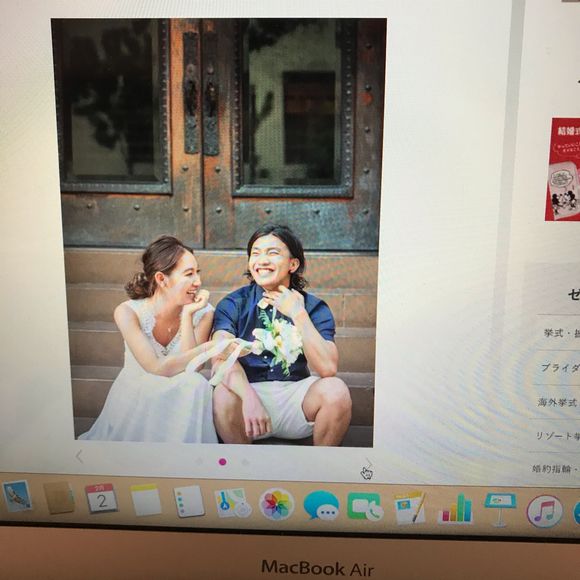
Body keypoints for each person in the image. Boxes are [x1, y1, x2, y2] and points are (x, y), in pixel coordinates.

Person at [211, 224, 352, 446]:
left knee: (336, 390)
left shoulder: (314, 307)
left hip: (296, 397)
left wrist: (298, 314)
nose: (262, 260)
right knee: (222, 393)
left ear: (293, 264)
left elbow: (328, 368)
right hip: (247, 400)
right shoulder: (234, 304)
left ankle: (322, 464)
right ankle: (242, 464)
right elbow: (220, 356)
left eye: (272, 253)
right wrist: (249, 398)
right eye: (256, 253)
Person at [79, 235, 219, 443]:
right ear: (162, 279)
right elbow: (156, 368)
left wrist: (188, 315)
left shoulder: (204, 312)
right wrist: (212, 347)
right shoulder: (128, 312)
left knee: (196, 383)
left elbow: (194, 367)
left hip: (180, 394)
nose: (198, 282)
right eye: (189, 274)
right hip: (137, 395)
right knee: (151, 388)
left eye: (197, 272)